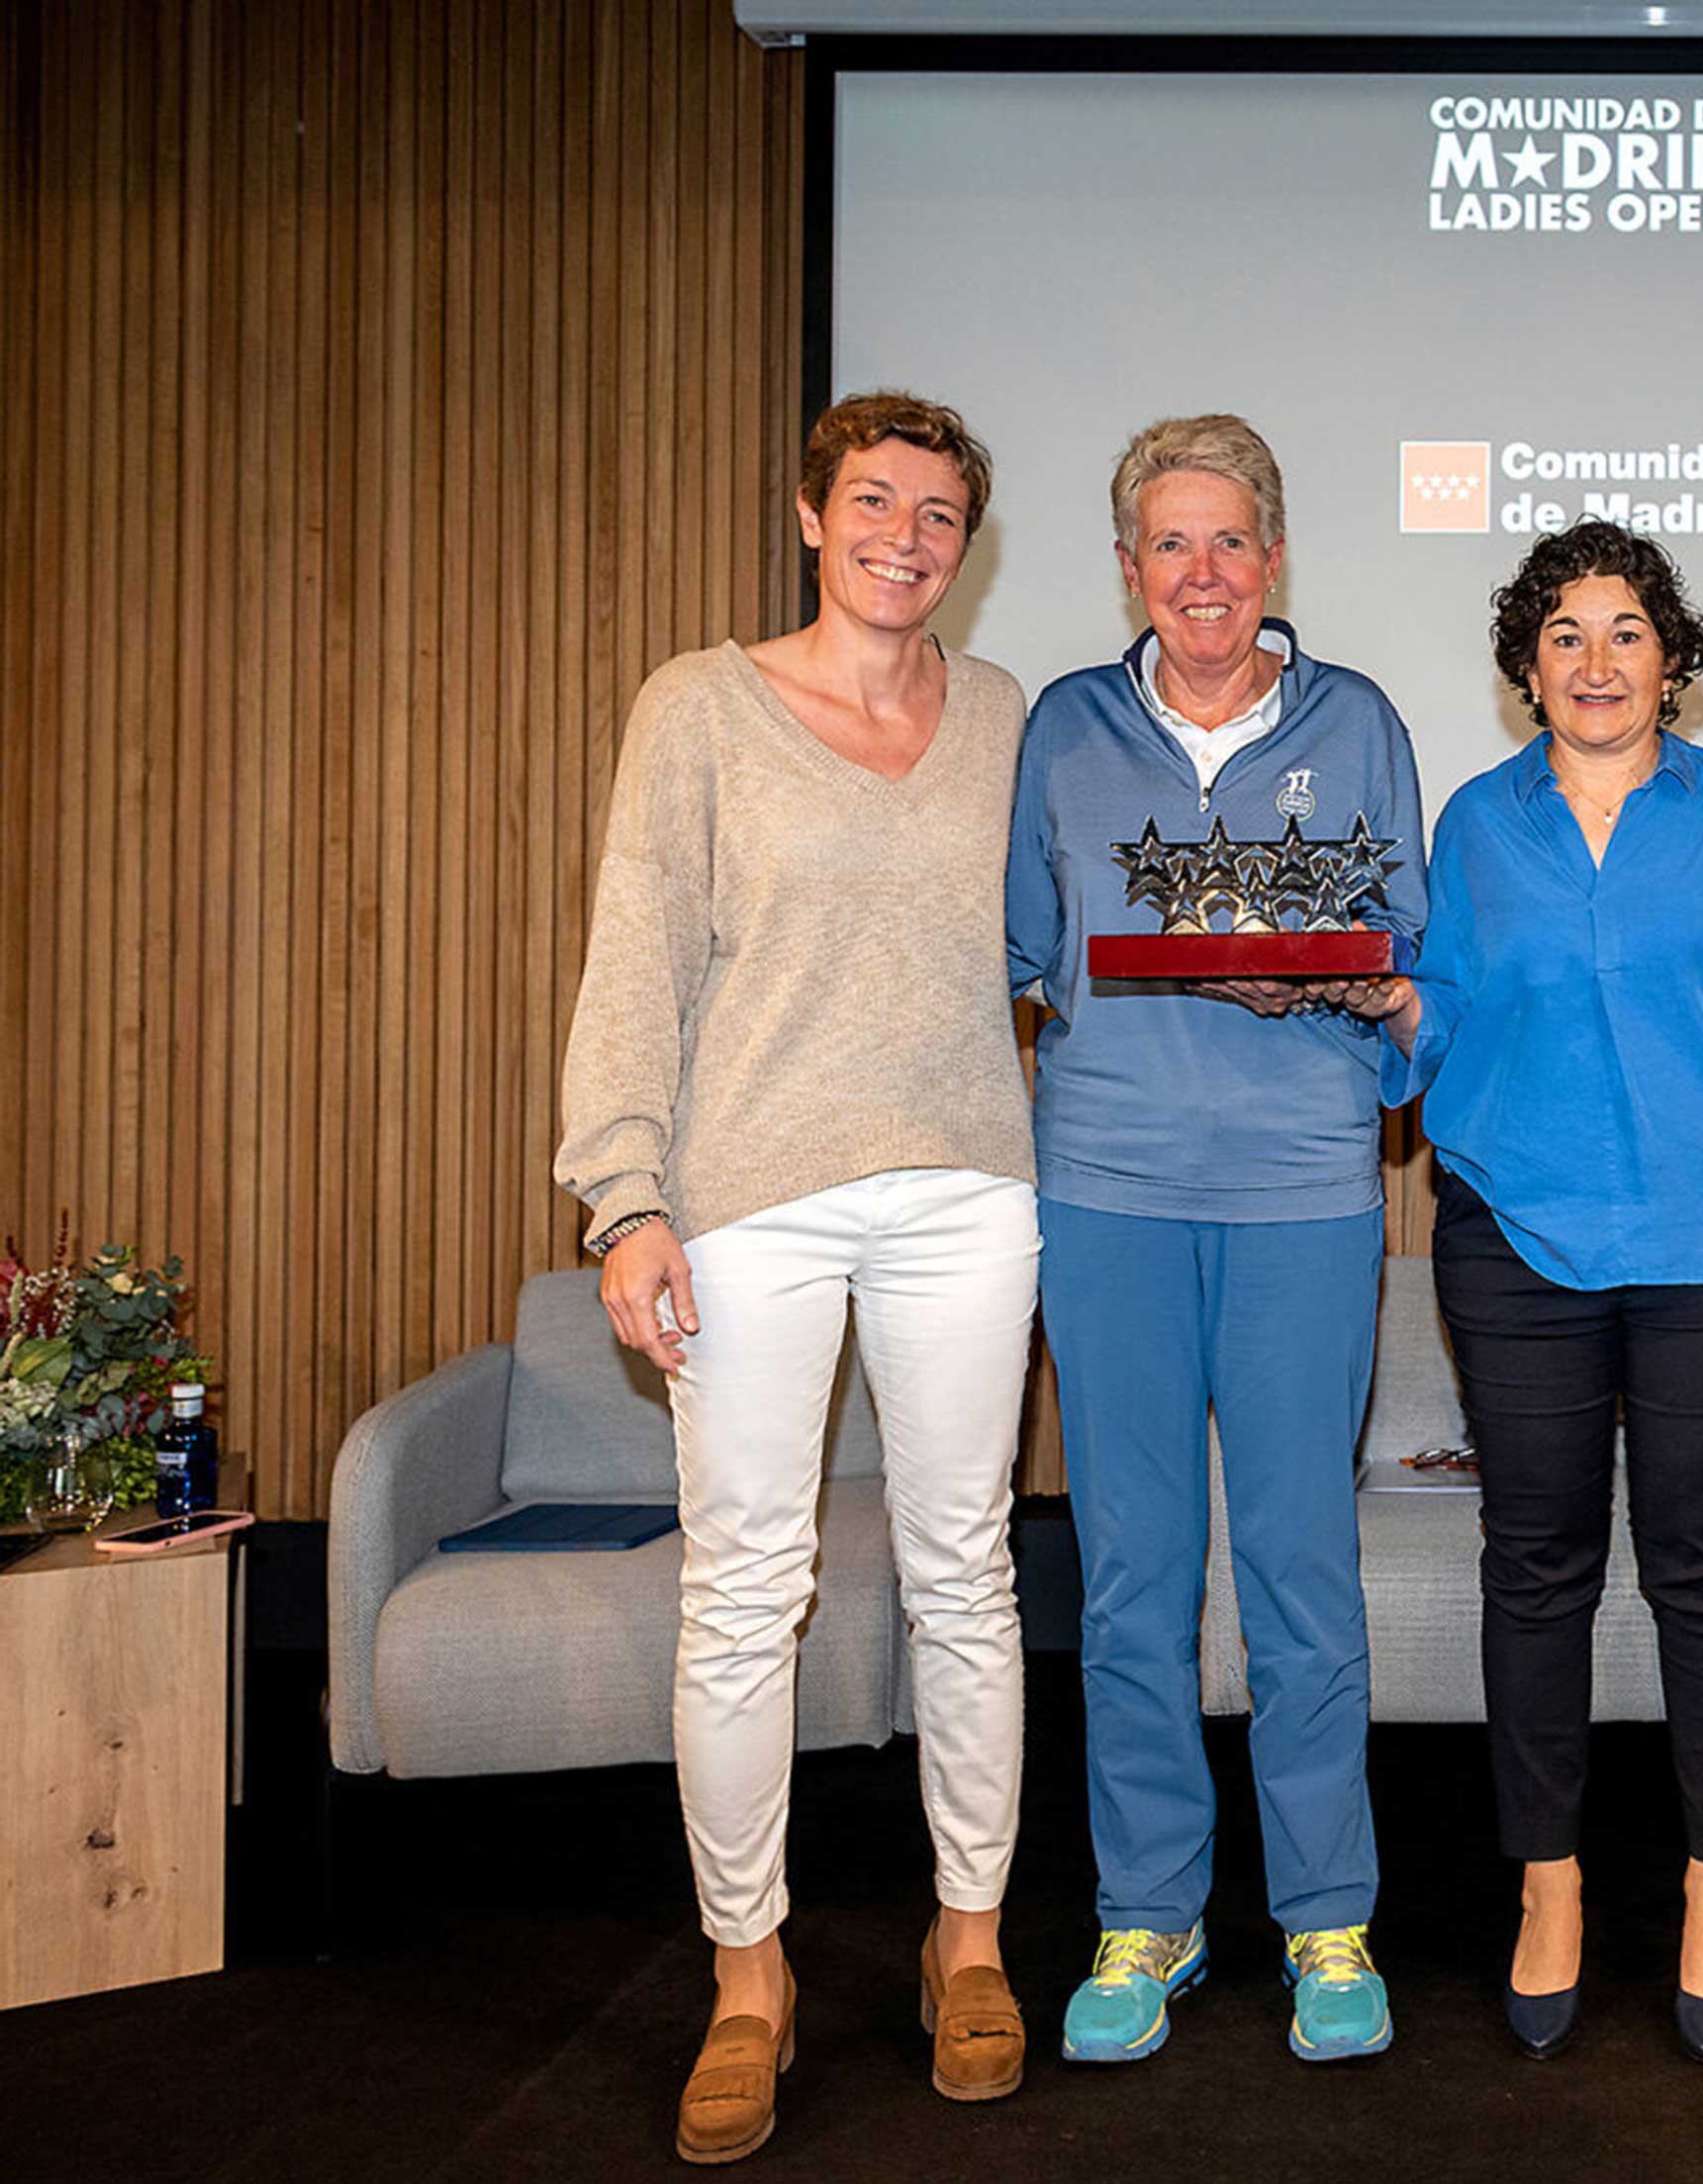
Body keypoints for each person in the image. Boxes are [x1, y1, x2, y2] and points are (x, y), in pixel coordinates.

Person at [555, 389, 1041, 2163]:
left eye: (936, 514)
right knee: (746, 1589)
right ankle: (746, 1979)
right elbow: (633, 958)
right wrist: (624, 1199)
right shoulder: (697, 706)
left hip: (970, 1193)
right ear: (809, 513)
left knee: (964, 1573)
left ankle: (966, 1940)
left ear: (965, 545)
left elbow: (1068, 933)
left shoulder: (1003, 717)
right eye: (872, 502)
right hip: (747, 1199)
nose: (903, 536)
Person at [1340, 522, 1703, 2066]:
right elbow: (1440, 1025)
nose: (1597, 661)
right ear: (1524, 667)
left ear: (1669, 658)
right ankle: (1547, 1885)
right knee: (1535, 1566)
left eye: (1627, 632)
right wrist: (1382, 1000)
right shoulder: (1475, 826)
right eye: (1565, 635)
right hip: (1518, 1240)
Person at [1005, 414, 1426, 2070]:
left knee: (1304, 1580)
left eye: (1229, 542)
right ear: (1128, 569)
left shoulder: (1360, 722)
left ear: (1275, 560)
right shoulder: (1062, 729)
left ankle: (1327, 1917)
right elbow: (1027, 965)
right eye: (1169, 545)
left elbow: (1409, 961)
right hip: (1104, 1196)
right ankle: (1149, 1913)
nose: (1202, 573)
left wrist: (1368, 981)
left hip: (1306, 1196)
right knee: (1131, 1584)